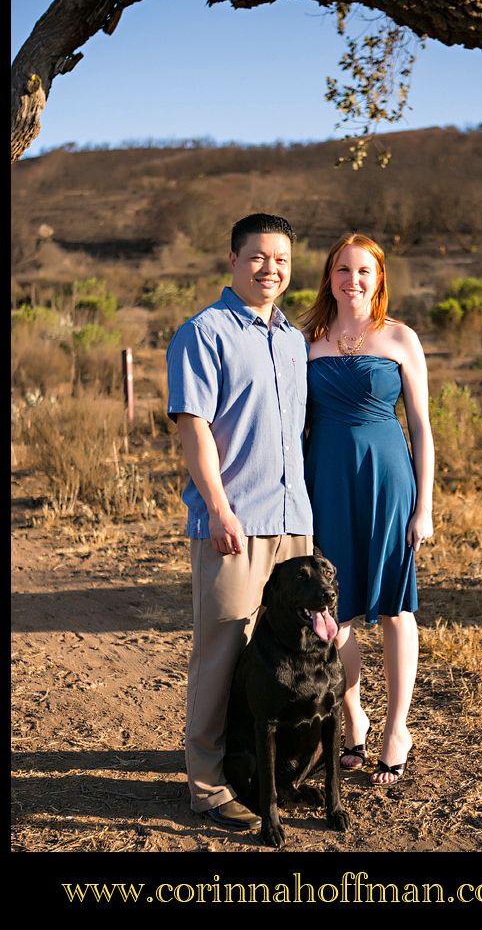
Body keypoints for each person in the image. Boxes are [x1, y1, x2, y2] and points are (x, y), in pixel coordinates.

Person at [166, 213, 314, 830]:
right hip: (234, 522)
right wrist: (220, 508)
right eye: (257, 257)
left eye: (280, 259)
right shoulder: (203, 333)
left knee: (291, 651)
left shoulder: (293, 340)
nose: (269, 268)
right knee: (221, 651)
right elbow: (192, 428)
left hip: (293, 521)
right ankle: (205, 783)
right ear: (232, 260)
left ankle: (269, 768)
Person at [301, 233, 434, 786]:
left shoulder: (400, 337)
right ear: (328, 277)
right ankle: (353, 716)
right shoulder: (305, 341)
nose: (352, 280)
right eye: (342, 270)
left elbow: (423, 428)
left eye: (363, 271)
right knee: (337, 611)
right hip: (325, 480)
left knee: (394, 609)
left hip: (388, 482)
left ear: (379, 278)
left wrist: (424, 506)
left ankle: (396, 728)